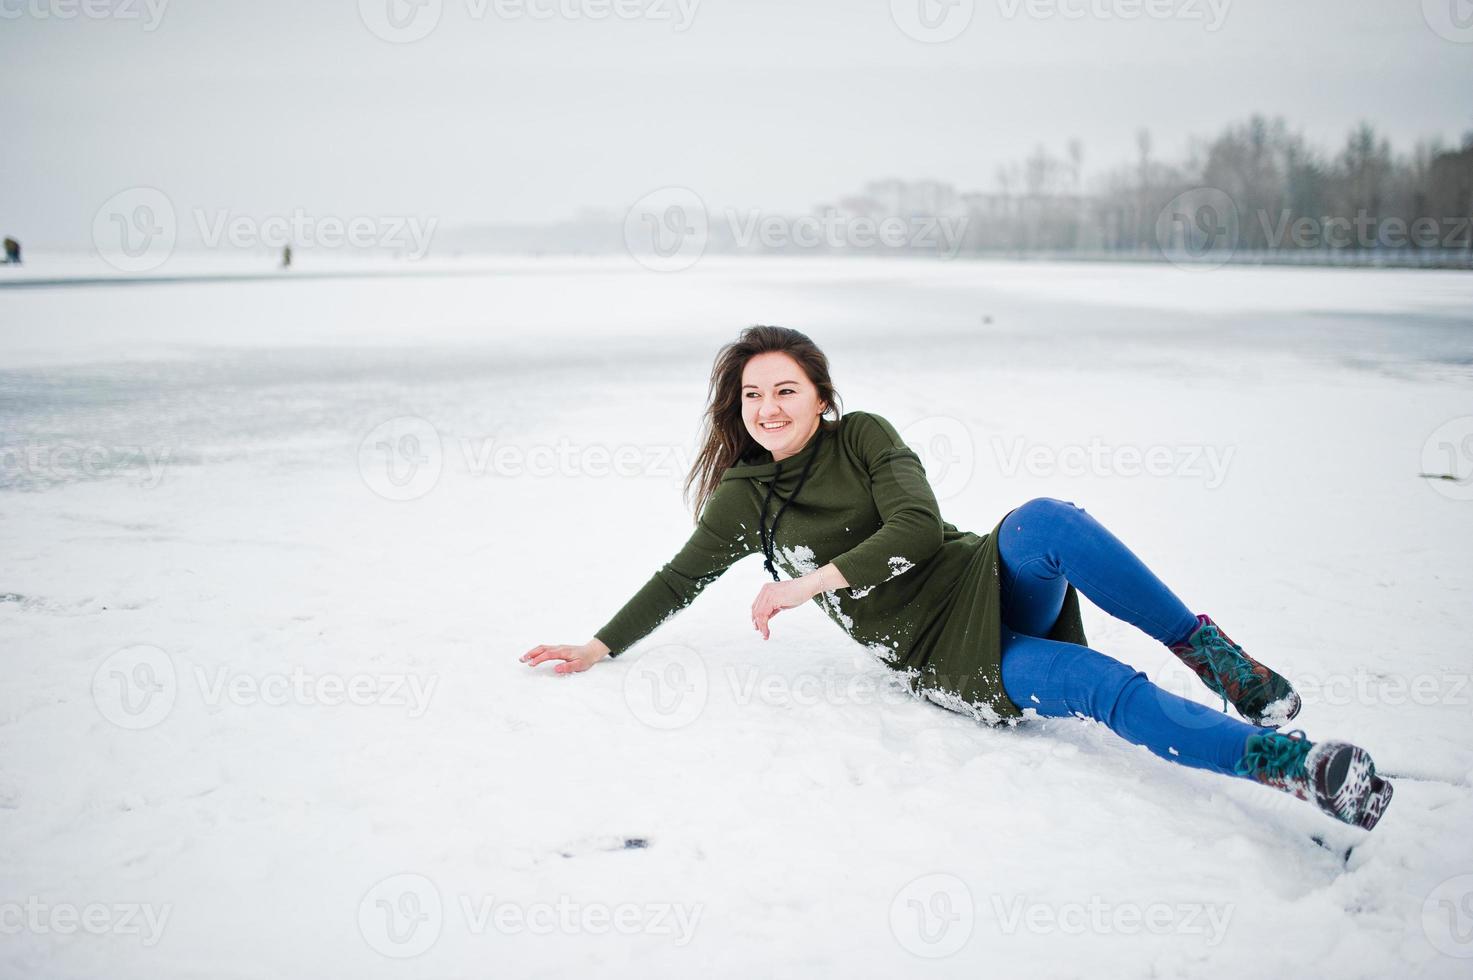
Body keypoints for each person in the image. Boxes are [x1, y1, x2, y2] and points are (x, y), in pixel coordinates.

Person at [520, 325, 1393, 830]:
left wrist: (805, 582)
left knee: (1046, 520)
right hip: (939, 654)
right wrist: (599, 645)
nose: (768, 409)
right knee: (1092, 683)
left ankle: (1214, 656)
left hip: (969, 572)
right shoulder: (745, 497)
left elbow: (918, 529)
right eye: (752, 396)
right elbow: (679, 579)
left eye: (784, 391)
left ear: (821, 397)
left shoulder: (862, 436)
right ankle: (1290, 765)